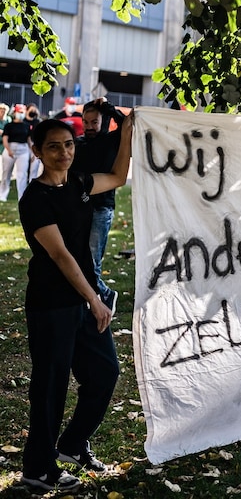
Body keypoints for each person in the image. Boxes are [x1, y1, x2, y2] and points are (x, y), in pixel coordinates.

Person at [17, 113, 134, 493]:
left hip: (83, 300)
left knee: (104, 373)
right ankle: (37, 469)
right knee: (50, 387)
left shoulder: (80, 182)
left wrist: (127, 134)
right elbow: (61, 256)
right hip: (53, 304)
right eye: (53, 146)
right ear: (36, 151)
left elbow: (116, 177)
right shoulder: (35, 199)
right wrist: (95, 300)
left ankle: (71, 445)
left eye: (68, 145)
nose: (64, 152)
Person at [71, 98, 126, 311]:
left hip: (101, 208)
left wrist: (108, 108)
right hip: (78, 207)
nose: (89, 126)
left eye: (94, 122)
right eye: (86, 122)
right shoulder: (78, 143)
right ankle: (92, 299)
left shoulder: (112, 140)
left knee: (93, 261)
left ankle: (103, 296)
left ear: (103, 121)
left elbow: (129, 124)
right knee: (78, 257)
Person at [1, 104, 33, 201]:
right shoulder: (9, 125)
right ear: (15, 113)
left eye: (22, 113)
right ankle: (2, 194)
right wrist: (9, 150)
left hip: (23, 149)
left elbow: (29, 140)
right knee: (6, 173)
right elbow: (5, 139)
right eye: (19, 112)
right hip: (10, 148)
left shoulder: (27, 126)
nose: (21, 114)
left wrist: (33, 151)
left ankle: (21, 196)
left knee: (22, 174)